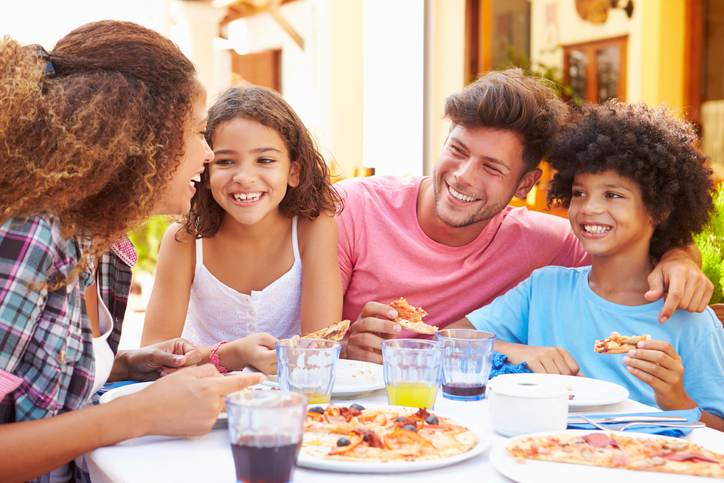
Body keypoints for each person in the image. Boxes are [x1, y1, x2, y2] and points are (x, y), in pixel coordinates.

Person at [0, 21, 262, 482]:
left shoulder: (101, 242)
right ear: (141, 140)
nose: (206, 153)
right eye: (197, 132)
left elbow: (31, 387)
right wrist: (141, 413)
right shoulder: (33, 235)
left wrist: (125, 367)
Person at [339, 69, 714, 364]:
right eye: (457, 149)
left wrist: (680, 256)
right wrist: (343, 350)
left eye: (492, 167)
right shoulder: (352, 208)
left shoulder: (550, 243)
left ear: (526, 184)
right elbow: (304, 345)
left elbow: (634, 243)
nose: (463, 175)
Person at [461, 101, 724, 430]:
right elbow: (451, 340)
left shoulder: (688, 317)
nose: (589, 208)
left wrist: (675, 398)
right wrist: (516, 351)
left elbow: (717, 429)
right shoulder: (544, 288)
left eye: (613, 195)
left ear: (659, 209)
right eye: (579, 193)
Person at [141, 86, 343, 374]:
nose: (245, 177)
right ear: (206, 172)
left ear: (294, 171)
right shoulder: (184, 240)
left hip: (292, 399)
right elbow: (153, 358)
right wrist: (231, 355)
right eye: (225, 162)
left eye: (265, 160)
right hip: (202, 400)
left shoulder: (313, 228)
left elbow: (319, 347)